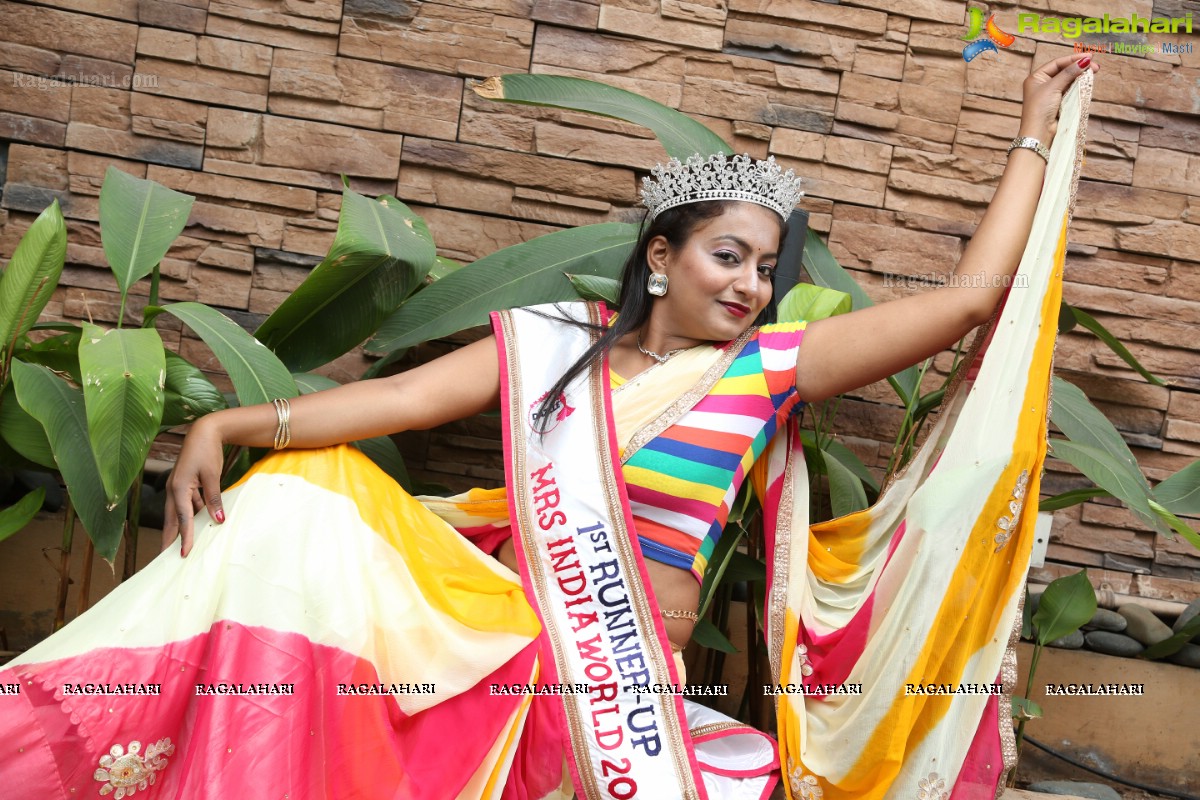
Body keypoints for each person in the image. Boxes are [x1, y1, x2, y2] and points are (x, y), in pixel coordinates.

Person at [0, 54, 1096, 799]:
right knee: (301, 495)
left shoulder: (770, 369)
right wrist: (237, 420)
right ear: (661, 255)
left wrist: (1033, 136)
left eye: (770, 267)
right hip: (499, 654)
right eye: (729, 254)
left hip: (617, 694)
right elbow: (396, 401)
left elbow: (965, 303)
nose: (755, 283)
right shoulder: (556, 342)